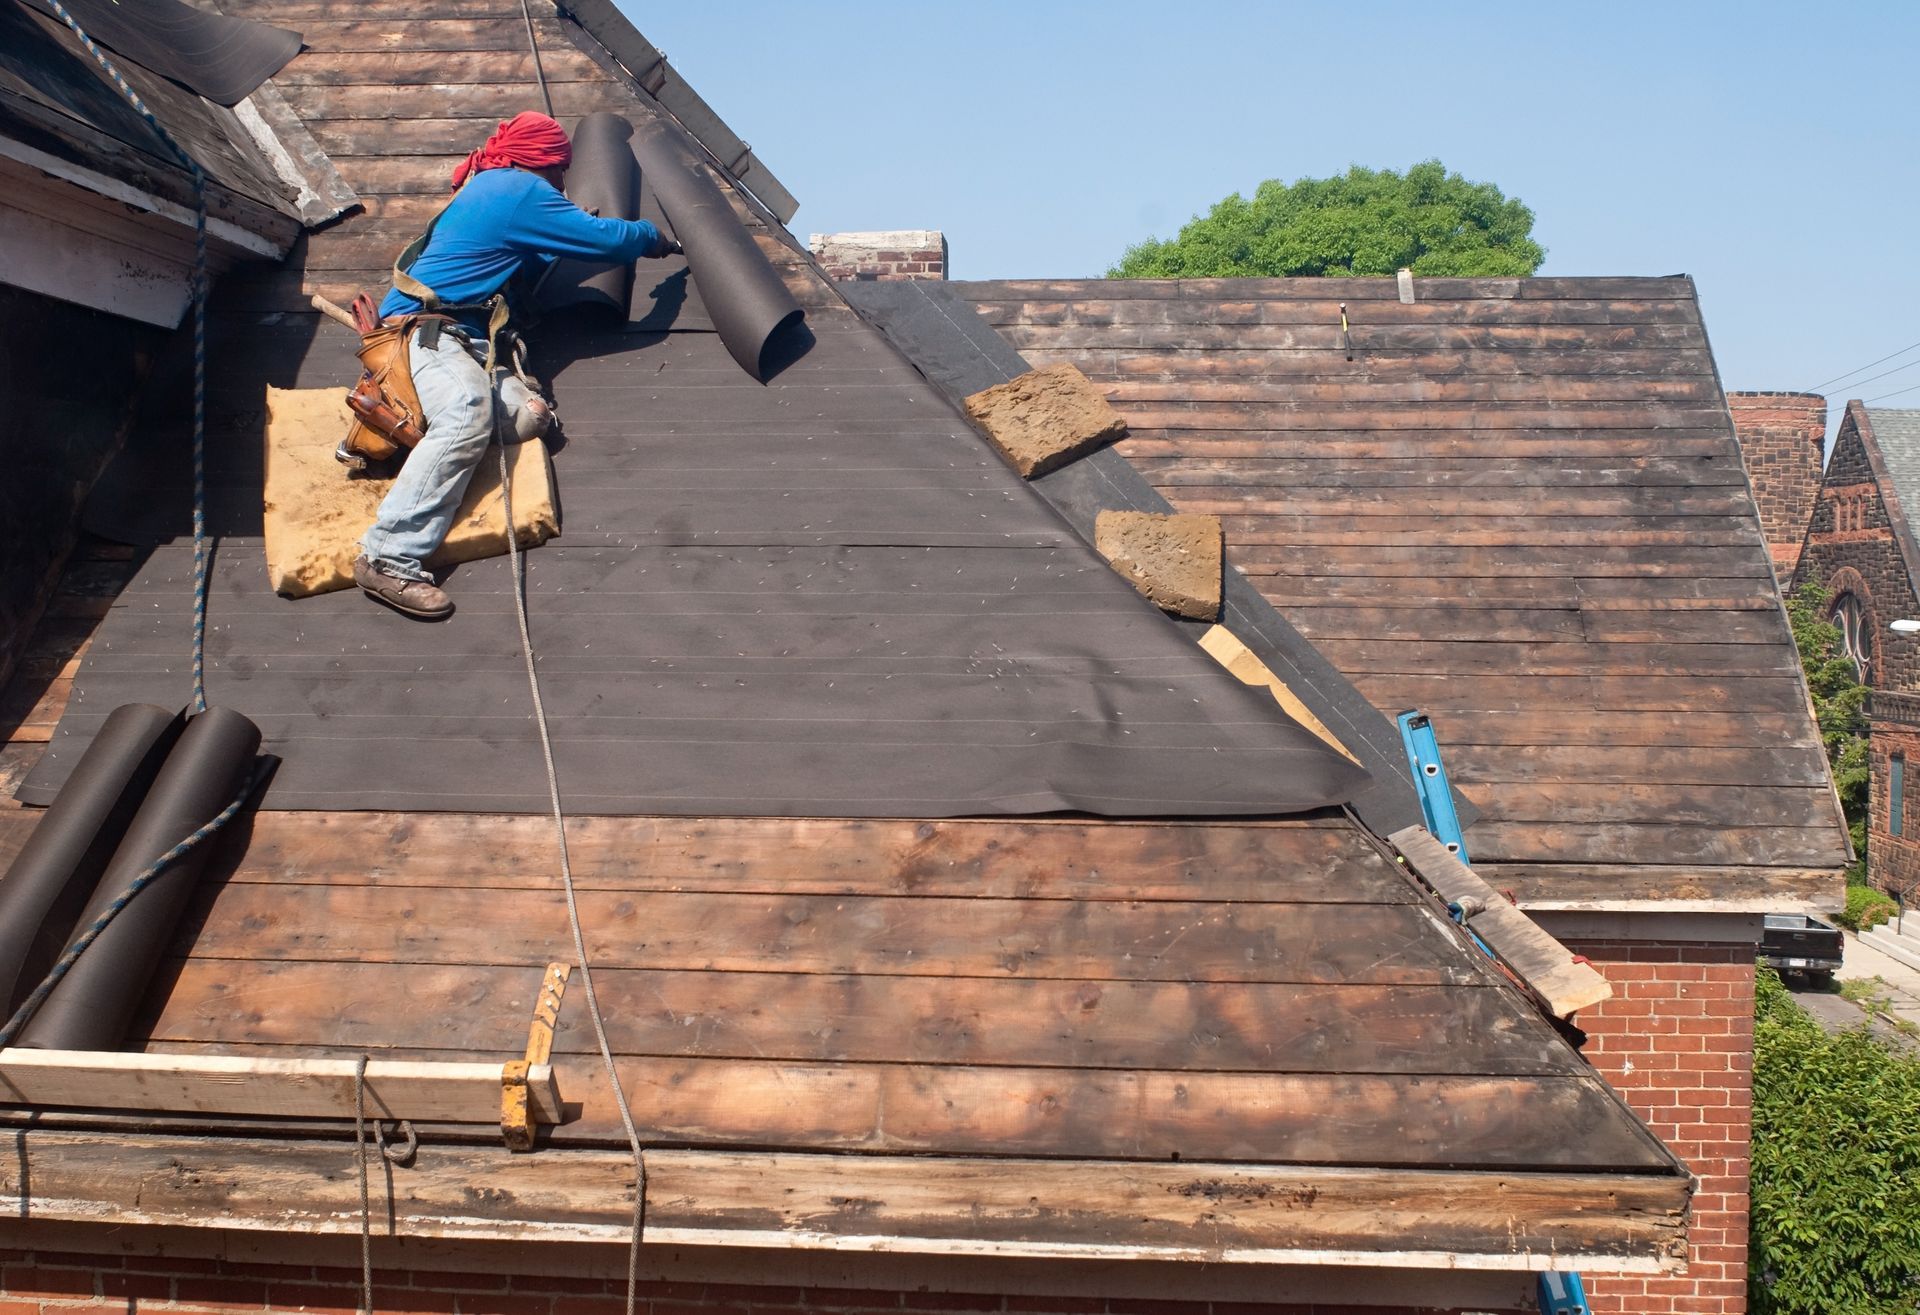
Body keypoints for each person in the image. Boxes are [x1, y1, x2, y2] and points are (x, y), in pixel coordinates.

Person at [353, 111, 677, 620]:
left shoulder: (495, 188)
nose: (563, 182)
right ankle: (388, 556)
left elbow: (507, 260)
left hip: (466, 344)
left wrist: (562, 233)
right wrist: (651, 237)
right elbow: (609, 241)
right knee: (467, 411)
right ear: (542, 162)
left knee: (530, 417)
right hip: (424, 334)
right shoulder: (514, 188)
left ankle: (419, 438)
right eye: (560, 171)